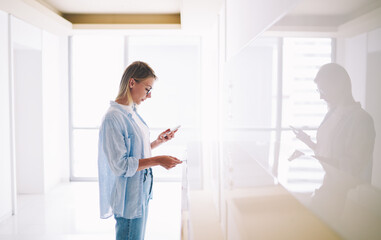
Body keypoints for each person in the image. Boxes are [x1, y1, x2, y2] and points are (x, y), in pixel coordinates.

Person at [97, 61, 182, 240]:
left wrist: (158, 142)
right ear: (132, 83)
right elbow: (120, 165)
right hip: (129, 198)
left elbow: (135, 153)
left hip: (140, 192)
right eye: (147, 89)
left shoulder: (132, 111)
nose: (149, 96)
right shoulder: (113, 118)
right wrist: (158, 160)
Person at [292, 63, 376, 182]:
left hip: (345, 191)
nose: (320, 96)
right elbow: (327, 151)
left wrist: (316, 159)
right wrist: (309, 142)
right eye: (318, 90)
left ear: (339, 86)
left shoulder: (361, 119)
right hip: (328, 182)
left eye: (323, 90)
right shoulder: (331, 113)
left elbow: (353, 166)